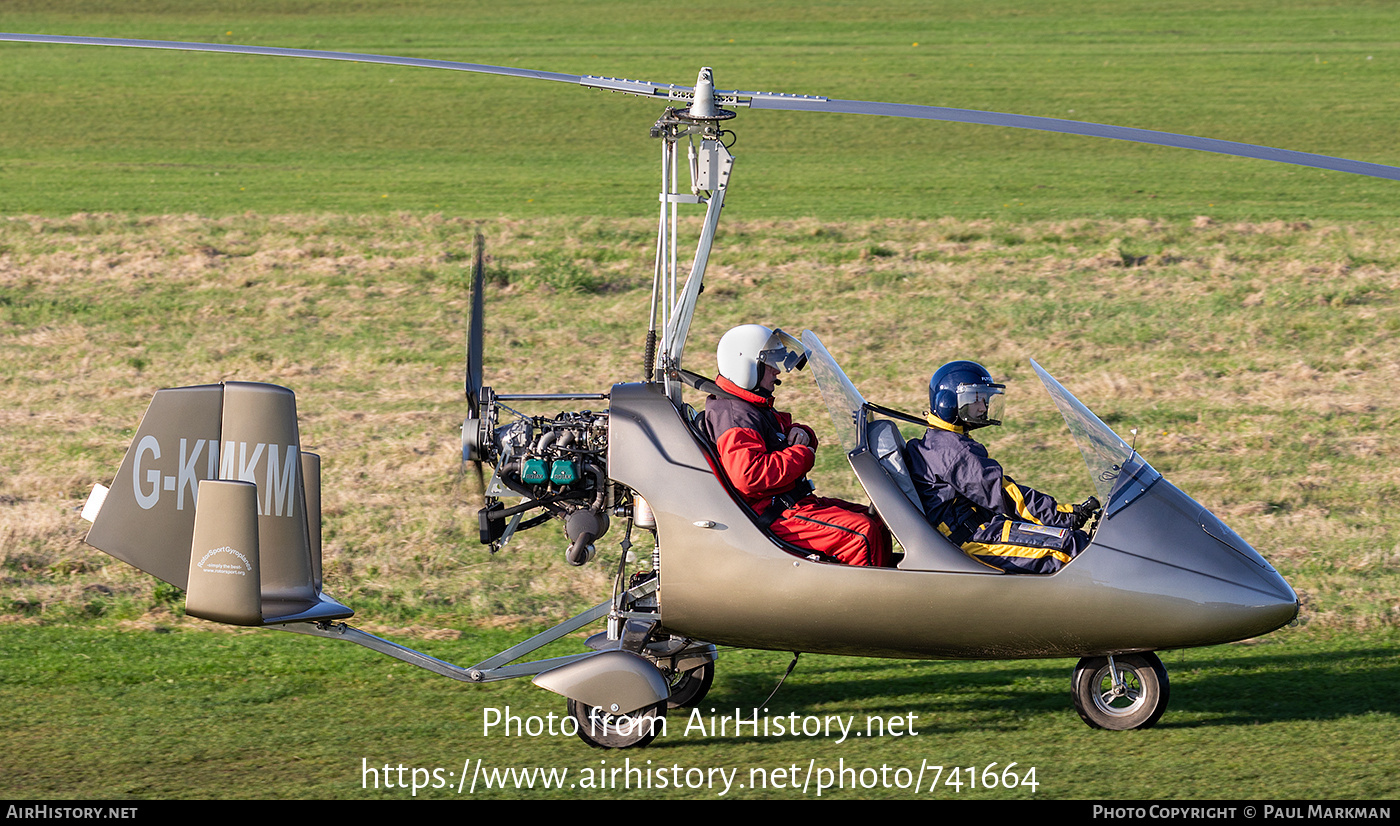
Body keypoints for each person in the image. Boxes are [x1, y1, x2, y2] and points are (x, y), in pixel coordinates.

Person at [701, 324, 893, 568]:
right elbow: (749, 476)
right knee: (861, 536)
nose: (777, 372)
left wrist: (802, 433)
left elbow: (783, 431)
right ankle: (871, 604)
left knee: (877, 520)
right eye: (771, 364)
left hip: (790, 503)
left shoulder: (750, 405)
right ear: (746, 366)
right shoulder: (736, 417)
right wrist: (803, 454)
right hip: (775, 515)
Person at [905, 360, 1099, 574]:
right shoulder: (953, 451)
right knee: (1072, 548)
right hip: (973, 539)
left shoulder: (941, 440)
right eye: (977, 398)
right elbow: (1002, 493)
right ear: (949, 402)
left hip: (983, 527)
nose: (983, 407)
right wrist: (1062, 515)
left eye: (985, 400)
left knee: (1079, 541)